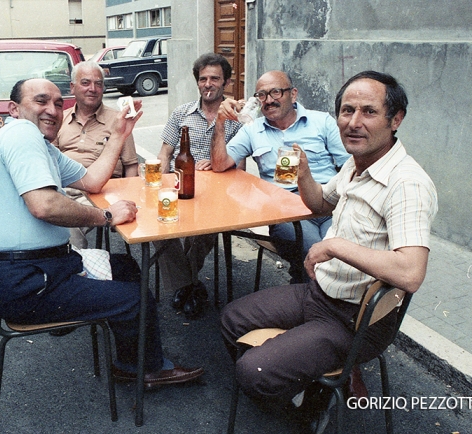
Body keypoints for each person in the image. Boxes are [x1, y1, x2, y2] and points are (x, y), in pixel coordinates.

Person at [220, 71, 438, 432]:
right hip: (320, 294)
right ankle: (303, 380)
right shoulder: (358, 163)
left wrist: (334, 245)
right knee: (231, 319)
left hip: (355, 321)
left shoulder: (407, 183)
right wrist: (304, 173)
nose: (353, 122)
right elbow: (321, 203)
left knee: (252, 371)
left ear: (395, 119)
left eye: (368, 112)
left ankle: (309, 409)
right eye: (346, 110)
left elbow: (411, 272)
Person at [0, 78, 203, 388]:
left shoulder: (41, 146)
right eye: (41, 101)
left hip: (40, 269)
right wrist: (106, 216)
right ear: (14, 109)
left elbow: (93, 181)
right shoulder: (20, 134)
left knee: (126, 267)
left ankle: (130, 359)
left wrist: (121, 133)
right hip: (28, 282)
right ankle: (147, 369)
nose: (53, 110)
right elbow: (44, 205)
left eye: (58, 103)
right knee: (136, 297)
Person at [211, 70, 350, 282]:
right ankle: (321, 301)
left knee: (340, 248)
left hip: (329, 202)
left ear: (293, 94)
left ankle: (305, 289)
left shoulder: (322, 122)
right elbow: (220, 164)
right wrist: (220, 123)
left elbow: (349, 167)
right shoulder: (252, 129)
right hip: (286, 212)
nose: (269, 101)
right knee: (319, 252)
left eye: (276, 92)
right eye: (262, 95)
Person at [155, 53, 243, 319]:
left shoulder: (237, 118)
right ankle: (189, 284)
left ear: (226, 82)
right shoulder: (182, 113)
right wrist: (157, 187)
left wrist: (217, 164)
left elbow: (240, 167)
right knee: (160, 231)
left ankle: (184, 286)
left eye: (214, 78)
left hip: (217, 193)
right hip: (179, 187)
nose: (208, 84)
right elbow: (164, 154)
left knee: (203, 231)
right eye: (203, 79)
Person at [53, 60, 139, 249]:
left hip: (101, 193)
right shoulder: (60, 119)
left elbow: (131, 164)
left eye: (98, 83)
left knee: (69, 225)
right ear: (72, 87)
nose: (93, 88)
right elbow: (50, 160)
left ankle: (76, 273)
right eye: (85, 83)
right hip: (64, 190)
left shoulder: (118, 120)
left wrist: (129, 197)